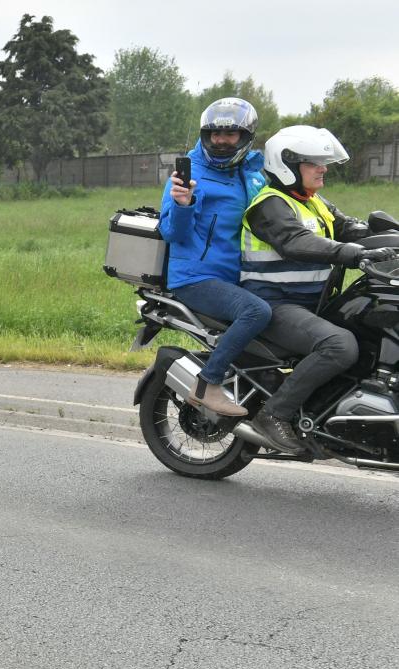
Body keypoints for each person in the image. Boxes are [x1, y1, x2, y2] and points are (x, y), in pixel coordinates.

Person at [241, 125, 399, 452]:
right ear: (287, 165)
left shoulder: (312, 201)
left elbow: (350, 228)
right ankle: (273, 414)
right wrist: (352, 254)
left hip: (310, 303)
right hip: (274, 306)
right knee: (340, 345)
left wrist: (388, 239)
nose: (323, 168)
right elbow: (296, 242)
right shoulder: (268, 206)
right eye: (314, 163)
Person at [159, 98, 272, 416]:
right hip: (195, 277)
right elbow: (171, 233)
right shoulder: (190, 174)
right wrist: (183, 204)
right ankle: (208, 383)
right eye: (214, 134)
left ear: (246, 136)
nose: (221, 141)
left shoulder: (251, 174)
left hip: (235, 276)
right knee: (256, 312)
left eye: (230, 134)